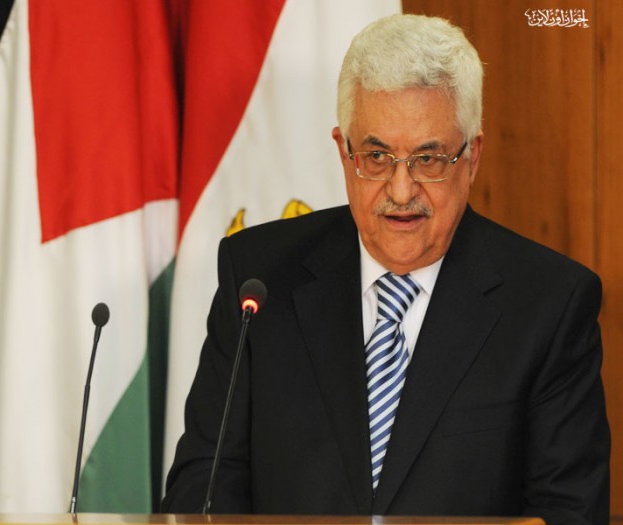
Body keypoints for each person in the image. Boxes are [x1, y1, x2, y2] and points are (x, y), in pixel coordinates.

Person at [161, 14, 610, 524]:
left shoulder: (549, 305)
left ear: (472, 157)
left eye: (428, 159)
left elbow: (570, 511)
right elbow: (204, 486)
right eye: (376, 156)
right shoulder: (258, 279)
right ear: (343, 151)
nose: (400, 190)